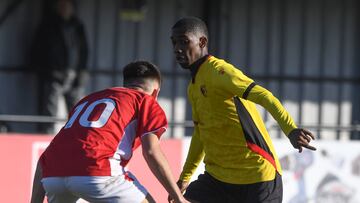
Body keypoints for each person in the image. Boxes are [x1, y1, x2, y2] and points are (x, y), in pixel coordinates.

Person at [169, 17, 317, 203]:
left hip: (257, 178)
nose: (177, 49)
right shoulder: (193, 86)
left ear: (202, 42)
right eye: (174, 43)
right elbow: (201, 133)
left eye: (183, 41)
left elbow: (265, 96)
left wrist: (291, 130)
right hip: (218, 179)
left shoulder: (220, 72)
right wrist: (185, 177)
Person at [30, 61, 189, 203]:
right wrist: (178, 197)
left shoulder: (87, 100)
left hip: (53, 178)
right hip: (98, 172)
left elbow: (46, 156)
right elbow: (151, 151)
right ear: (156, 92)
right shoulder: (145, 101)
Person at [30, 0, 88, 134]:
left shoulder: (77, 26)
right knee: (50, 111)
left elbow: (84, 51)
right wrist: (49, 71)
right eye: (61, 6)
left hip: (74, 76)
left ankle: (77, 136)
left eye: (67, 6)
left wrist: (82, 72)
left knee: (78, 111)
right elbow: (38, 50)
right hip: (54, 75)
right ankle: (47, 137)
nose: (64, 9)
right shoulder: (48, 25)